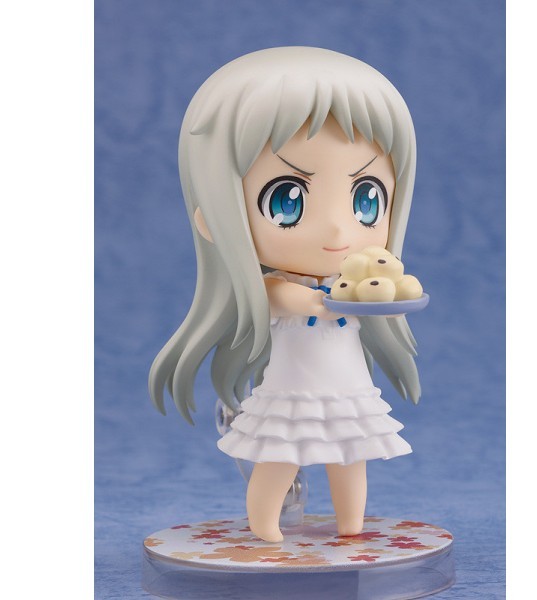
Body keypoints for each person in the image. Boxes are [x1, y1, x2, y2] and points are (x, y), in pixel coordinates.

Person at [149, 47, 421, 543]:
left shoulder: (360, 282)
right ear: (214, 216)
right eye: (286, 201)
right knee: (280, 456)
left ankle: (351, 526)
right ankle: (266, 530)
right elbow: (297, 302)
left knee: (351, 455)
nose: (338, 229)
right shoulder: (277, 288)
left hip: (348, 390)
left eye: (367, 199)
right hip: (294, 392)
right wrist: (330, 300)